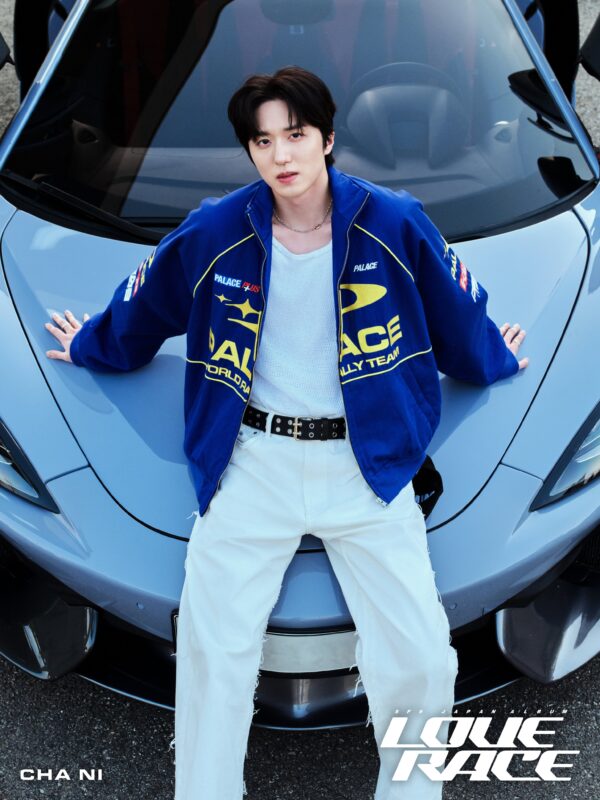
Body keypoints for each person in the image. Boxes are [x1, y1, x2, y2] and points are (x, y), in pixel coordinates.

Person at [44, 66, 528, 800]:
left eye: (295, 135)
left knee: (422, 657)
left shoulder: (394, 221)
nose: (281, 155)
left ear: (327, 139)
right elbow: (147, 305)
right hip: (254, 461)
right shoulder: (216, 229)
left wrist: (493, 354)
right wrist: (90, 343)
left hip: (366, 462)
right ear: (250, 151)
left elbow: (455, 312)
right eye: (263, 141)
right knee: (212, 654)